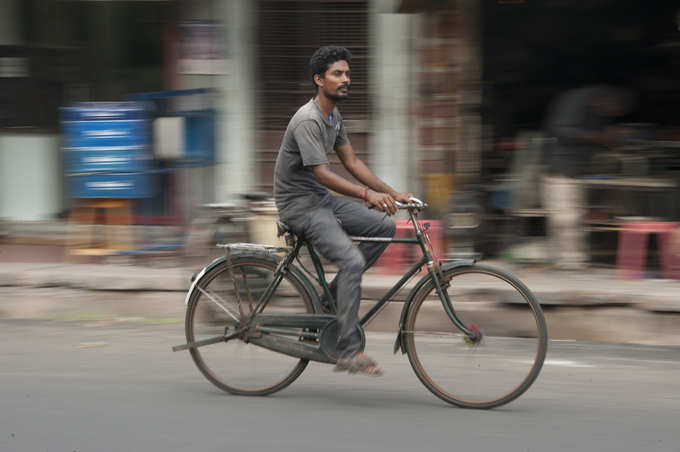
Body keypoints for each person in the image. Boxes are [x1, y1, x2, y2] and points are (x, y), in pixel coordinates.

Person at [273, 46, 413, 376]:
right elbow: (322, 172)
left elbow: (352, 162)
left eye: (347, 73)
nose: (346, 79)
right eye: (338, 74)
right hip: (300, 206)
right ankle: (349, 351)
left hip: (320, 199)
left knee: (384, 228)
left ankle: (329, 300)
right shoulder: (307, 120)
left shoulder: (333, 117)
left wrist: (392, 194)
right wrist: (368, 194)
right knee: (351, 260)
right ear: (319, 80)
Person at [542, 85, 632, 270]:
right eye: (612, 111)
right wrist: (598, 137)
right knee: (566, 218)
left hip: (578, 169)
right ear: (606, 100)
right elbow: (560, 130)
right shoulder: (575, 101)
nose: (609, 115)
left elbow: (598, 139)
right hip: (560, 168)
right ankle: (571, 262)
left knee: (571, 217)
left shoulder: (597, 109)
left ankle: (570, 260)